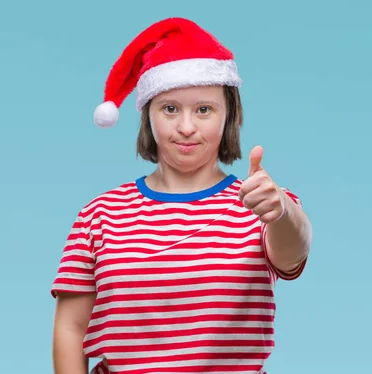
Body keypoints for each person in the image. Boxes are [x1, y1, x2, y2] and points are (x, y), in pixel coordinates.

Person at [50, 17, 312, 374]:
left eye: (204, 110)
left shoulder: (261, 202)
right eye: (170, 108)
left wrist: (281, 211)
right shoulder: (99, 215)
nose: (186, 127)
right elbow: (70, 328)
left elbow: (293, 253)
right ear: (148, 116)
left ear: (229, 117)